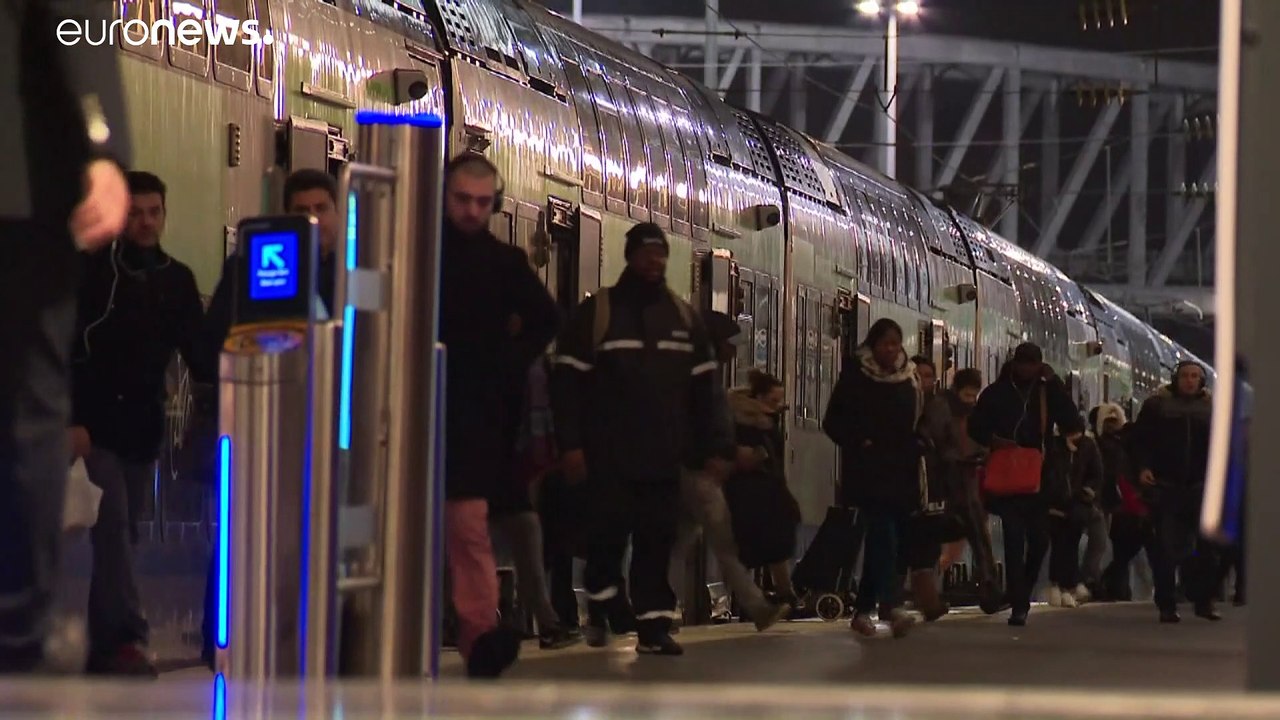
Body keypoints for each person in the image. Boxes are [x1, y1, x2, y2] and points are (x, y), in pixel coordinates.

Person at [1, 0, 132, 673]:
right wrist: (102, 146)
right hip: (21, 192)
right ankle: (16, 648)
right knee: (27, 415)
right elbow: (76, 19)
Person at [551, 222, 725, 656]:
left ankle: (653, 626)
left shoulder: (684, 320)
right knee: (608, 536)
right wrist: (569, 443)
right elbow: (566, 384)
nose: (655, 260)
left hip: (665, 456)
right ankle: (604, 591)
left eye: (661, 253)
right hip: (607, 453)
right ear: (629, 256)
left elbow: (707, 391)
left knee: (656, 539)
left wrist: (715, 447)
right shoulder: (599, 314)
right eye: (647, 252)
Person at [198, 169, 342, 668]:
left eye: (321, 209)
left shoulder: (352, 276)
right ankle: (227, 633)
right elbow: (215, 339)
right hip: (259, 432)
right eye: (302, 210)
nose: (313, 220)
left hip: (329, 435)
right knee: (243, 530)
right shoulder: (247, 271)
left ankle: (314, 633)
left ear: (338, 214)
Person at [70, 171, 207, 676]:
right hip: (96, 427)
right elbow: (67, 350)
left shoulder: (176, 280)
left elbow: (200, 354)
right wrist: (72, 420)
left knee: (124, 536)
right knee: (111, 528)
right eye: (136, 213)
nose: (147, 223)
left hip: (142, 428)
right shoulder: (92, 275)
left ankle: (104, 643)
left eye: (155, 212)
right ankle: (126, 638)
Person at [439, 153, 560, 676]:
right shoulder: (416, 248)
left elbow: (547, 318)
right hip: (436, 408)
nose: (471, 211)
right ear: (445, 195)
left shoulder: (503, 262)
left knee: (467, 529)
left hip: (471, 418)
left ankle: (480, 636)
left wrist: (504, 365)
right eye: (463, 199)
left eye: (482, 202)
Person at [669, 315, 793, 632]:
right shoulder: (701, 377)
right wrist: (724, 455)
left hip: (692, 470)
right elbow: (696, 425)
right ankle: (757, 606)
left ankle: (661, 608)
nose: (733, 351)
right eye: (729, 343)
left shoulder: (699, 373)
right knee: (726, 544)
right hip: (701, 473)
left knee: (678, 543)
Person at [822, 319, 924, 639]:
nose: (891, 351)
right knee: (884, 536)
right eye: (885, 344)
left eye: (895, 344)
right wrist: (860, 440)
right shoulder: (856, 375)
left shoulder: (910, 378)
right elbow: (833, 421)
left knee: (885, 540)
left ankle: (864, 609)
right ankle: (892, 606)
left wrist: (921, 444)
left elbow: (919, 421)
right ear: (873, 345)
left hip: (901, 472)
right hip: (868, 472)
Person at [968, 344, 1082, 626]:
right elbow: (976, 426)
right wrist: (995, 441)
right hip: (1009, 479)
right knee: (1014, 540)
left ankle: (1021, 590)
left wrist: (1054, 384)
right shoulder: (997, 393)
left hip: (1040, 479)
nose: (1028, 369)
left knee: (1040, 541)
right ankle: (1020, 603)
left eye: (1033, 364)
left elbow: (1072, 420)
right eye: (1024, 363)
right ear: (1015, 363)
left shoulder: (1047, 392)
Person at [1130, 361, 1218, 623]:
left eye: (1195, 376)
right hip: (1167, 488)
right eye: (1185, 376)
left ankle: (1205, 601)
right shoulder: (1157, 407)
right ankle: (1167, 604)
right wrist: (1143, 467)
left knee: (1208, 551)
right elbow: (1138, 442)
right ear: (1175, 379)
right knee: (1166, 549)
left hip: (1202, 488)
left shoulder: (1213, 410)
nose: (1190, 381)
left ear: (1201, 381)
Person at [919, 368, 1001, 614]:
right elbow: (934, 440)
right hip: (944, 481)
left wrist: (981, 455)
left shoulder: (971, 412)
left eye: (974, 395)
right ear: (956, 389)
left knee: (978, 533)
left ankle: (990, 588)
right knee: (933, 537)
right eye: (967, 394)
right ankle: (928, 595)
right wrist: (955, 458)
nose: (970, 400)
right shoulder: (941, 407)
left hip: (966, 480)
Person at [724, 368, 801, 610]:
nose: (777, 406)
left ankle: (780, 591)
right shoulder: (743, 419)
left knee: (777, 536)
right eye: (773, 401)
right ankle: (756, 597)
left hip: (767, 488)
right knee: (753, 542)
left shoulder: (764, 419)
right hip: (748, 489)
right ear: (758, 398)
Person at [1096, 405, 1155, 602]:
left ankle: (1113, 587)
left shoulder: (1118, 446)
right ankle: (1116, 588)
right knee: (1125, 553)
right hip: (1122, 505)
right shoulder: (1124, 446)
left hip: (1126, 505)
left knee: (1124, 553)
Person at [1041, 427, 1103, 608]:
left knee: (1070, 543)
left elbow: (1096, 474)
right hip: (1056, 503)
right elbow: (1049, 475)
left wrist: (1087, 492)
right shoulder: (1054, 445)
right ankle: (1062, 585)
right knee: (1060, 543)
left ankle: (1067, 586)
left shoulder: (1087, 446)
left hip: (1078, 504)